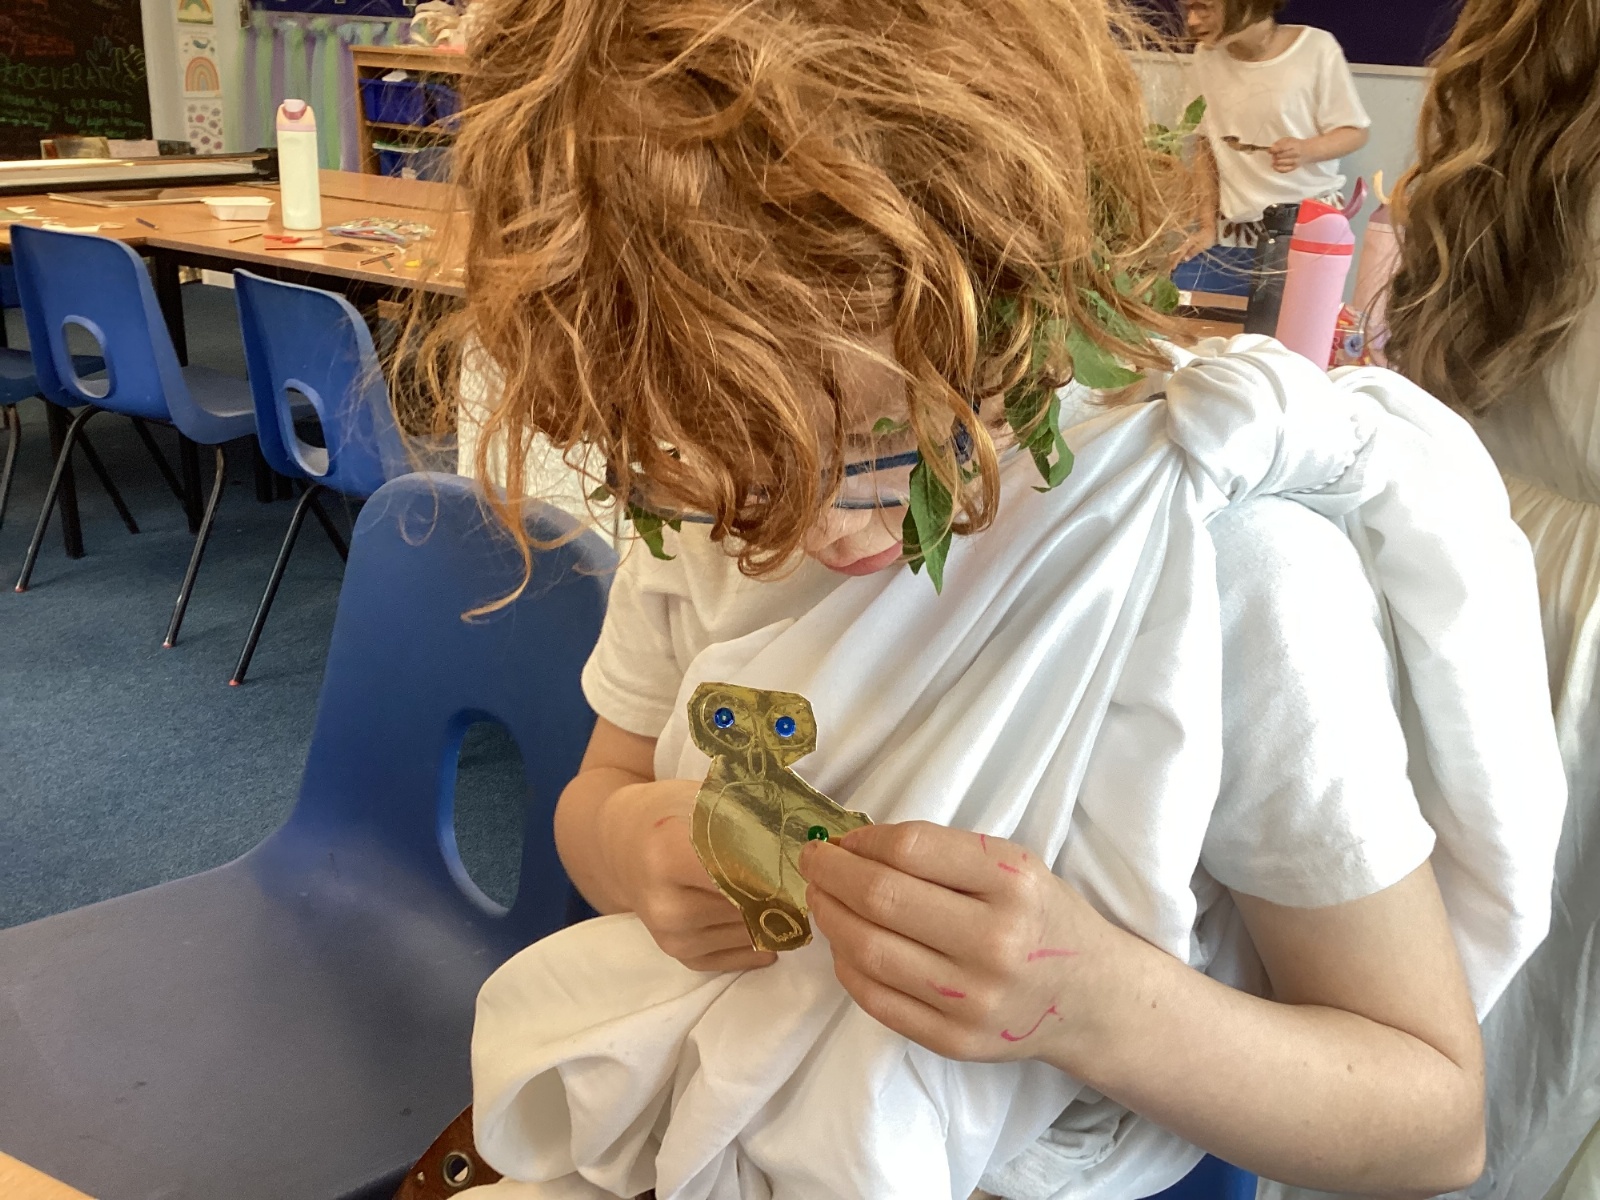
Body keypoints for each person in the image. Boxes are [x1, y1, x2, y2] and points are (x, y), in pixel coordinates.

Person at [409, 0, 1565, 1196]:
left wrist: (1085, 1001)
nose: (820, 528)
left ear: (1025, 296)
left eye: (887, 450)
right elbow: (600, 790)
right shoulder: (718, 486)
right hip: (709, 1102)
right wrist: (632, 852)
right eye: (727, 474)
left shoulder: (1224, 573)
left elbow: (1433, 1123)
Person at [1383, 2, 1600, 1197]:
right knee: (1542, 1054)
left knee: (1431, 982)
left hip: (1458, 582)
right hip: (1563, 645)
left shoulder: (1504, 102)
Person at [1182, 0, 1370, 247]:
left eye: (1205, 7)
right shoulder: (1205, 57)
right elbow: (1204, 146)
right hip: (1236, 230)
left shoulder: (1316, 48)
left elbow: (1355, 132)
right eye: (1188, 8)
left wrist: (1307, 150)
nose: (1192, 21)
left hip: (1309, 223)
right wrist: (1207, 227)